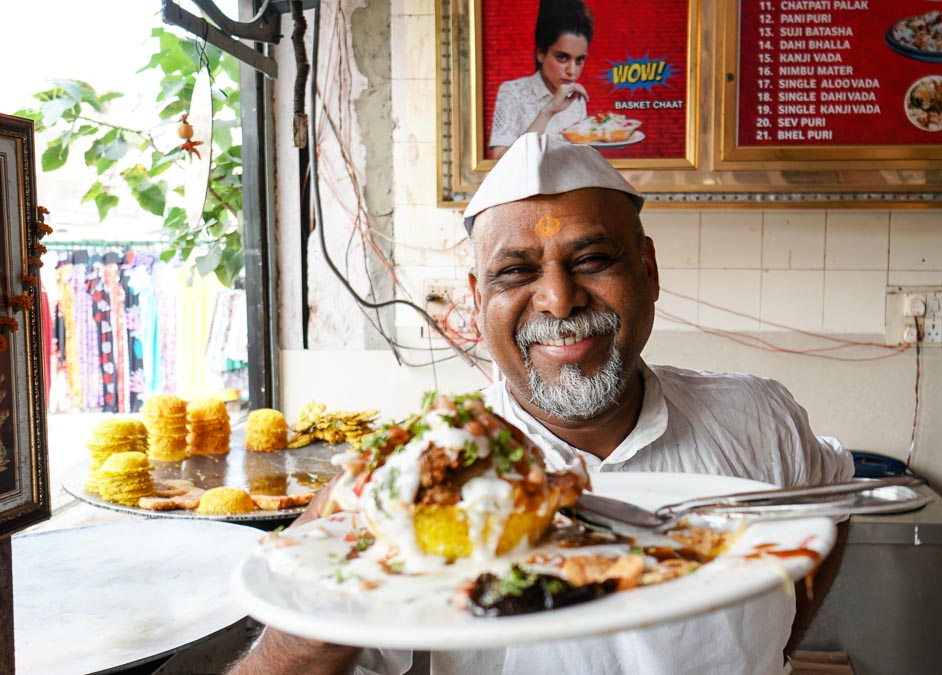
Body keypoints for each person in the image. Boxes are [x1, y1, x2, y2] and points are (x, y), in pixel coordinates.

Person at [229, 133, 853, 675]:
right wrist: (327, 581)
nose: (558, 299)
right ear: (476, 300)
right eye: (516, 273)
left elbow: (836, 502)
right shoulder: (416, 479)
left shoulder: (758, 418)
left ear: (648, 269)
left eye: (592, 259)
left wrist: (781, 646)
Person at [489, 0, 593, 160]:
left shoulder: (577, 100)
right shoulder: (512, 92)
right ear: (541, 54)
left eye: (579, 60)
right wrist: (548, 111)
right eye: (562, 57)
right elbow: (500, 162)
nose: (572, 71)